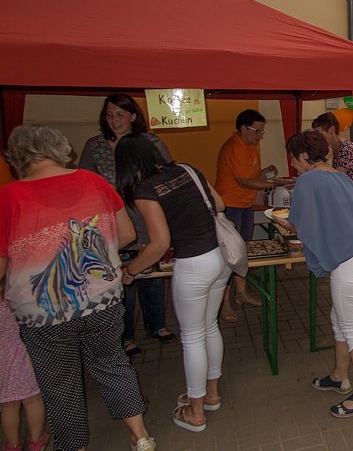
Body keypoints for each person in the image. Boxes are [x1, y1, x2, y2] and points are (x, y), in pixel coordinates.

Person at [0, 125, 155, 451]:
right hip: (103, 300)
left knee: (60, 384)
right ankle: (141, 437)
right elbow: (127, 234)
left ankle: (74, 446)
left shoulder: (8, 197)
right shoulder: (93, 182)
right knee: (112, 363)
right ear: (60, 150)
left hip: (44, 314)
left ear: (16, 156)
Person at [116, 135, 230, 433]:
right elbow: (218, 203)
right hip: (219, 257)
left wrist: (130, 272)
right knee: (209, 327)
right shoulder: (185, 169)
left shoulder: (145, 188)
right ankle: (211, 394)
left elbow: (159, 243)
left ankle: (196, 412)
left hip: (193, 265)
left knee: (192, 337)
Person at [272, 131, 353, 418]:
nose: (294, 165)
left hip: (352, 262)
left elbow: (301, 226)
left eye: (295, 159)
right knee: (340, 320)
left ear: (305, 157)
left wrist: (280, 221)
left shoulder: (308, 180)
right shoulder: (339, 176)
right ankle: (338, 376)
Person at [78, 93, 176, 357]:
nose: (114, 120)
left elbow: (167, 175)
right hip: (111, 223)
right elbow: (84, 184)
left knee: (150, 271)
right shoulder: (95, 145)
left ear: (133, 116)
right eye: (109, 115)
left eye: (120, 114)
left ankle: (157, 325)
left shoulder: (150, 142)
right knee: (121, 276)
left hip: (146, 216)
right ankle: (126, 335)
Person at [215, 110, 280, 321]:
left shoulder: (251, 146)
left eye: (262, 132)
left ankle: (241, 294)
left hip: (245, 205)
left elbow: (253, 176)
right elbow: (243, 181)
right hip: (230, 207)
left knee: (243, 251)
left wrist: (266, 172)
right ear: (243, 128)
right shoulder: (234, 147)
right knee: (229, 255)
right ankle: (224, 303)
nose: (260, 136)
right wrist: (275, 184)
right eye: (257, 131)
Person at [0, 283, 49, 451]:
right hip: (20, 356)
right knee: (32, 399)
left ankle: (12, 445)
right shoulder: (10, 300)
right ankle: (36, 441)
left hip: (2, 364)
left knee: (8, 404)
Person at [312, 112, 353, 216]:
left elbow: (336, 178)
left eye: (320, 134)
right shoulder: (336, 149)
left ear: (331, 130)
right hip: (352, 202)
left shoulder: (346, 148)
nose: (318, 139)